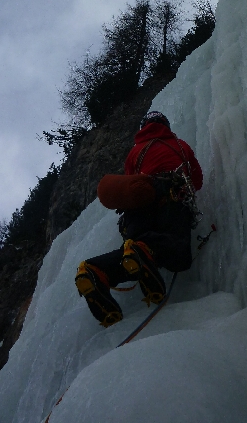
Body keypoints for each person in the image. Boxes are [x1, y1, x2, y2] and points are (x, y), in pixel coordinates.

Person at [75, 111, 203, 327]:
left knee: (134, 254)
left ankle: (97, 270)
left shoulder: (136, 151)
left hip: (137, 211)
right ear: (166, 125)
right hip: (171, 201)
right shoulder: (180, 145)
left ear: (144, 127)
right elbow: (197, 181)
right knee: (178, 255)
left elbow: (131, 183)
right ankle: (144, 250)